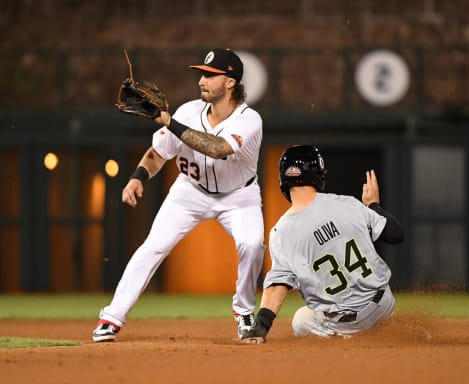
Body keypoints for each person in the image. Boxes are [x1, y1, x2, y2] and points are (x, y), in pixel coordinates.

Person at [93, 48, 266, 342]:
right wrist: (138, 176)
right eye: (202, 73)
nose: (202, 80)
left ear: (230, 82)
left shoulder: (250, 120)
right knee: (153, 247)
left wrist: (169, 122)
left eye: (211, 75)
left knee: (252, 244)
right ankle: (111, 317)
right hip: (190, 191)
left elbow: (216, 148)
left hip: (240, 195)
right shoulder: (187, 112)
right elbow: (158, 154)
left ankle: (244, 311)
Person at [241, 144, 404, 344]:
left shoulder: (281, 233)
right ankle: (393, 333)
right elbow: (396, 234)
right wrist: (373, 206)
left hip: (345, 325)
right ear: (317, 174)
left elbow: (278, 287)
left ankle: (346, 340)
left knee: (301, 320)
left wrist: (260, 327)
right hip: (383, 307)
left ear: (284, 179)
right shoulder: (348, 203)